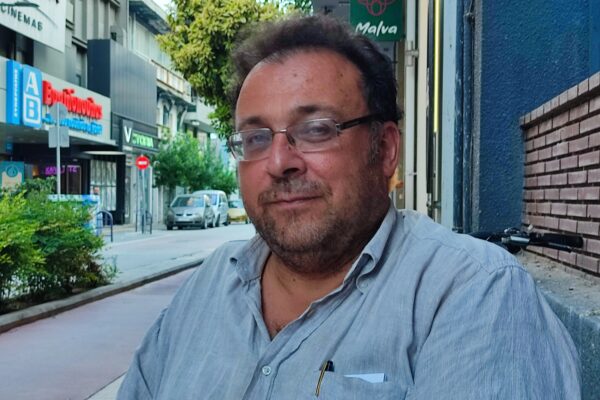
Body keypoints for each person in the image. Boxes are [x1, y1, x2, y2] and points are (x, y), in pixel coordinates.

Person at [117, 15, 580, 399]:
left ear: (385, 149)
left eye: (317, 129)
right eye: (256, 138)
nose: (278, 162)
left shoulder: (475, 294)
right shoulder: (208, 286)